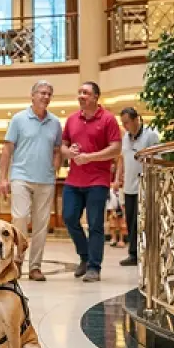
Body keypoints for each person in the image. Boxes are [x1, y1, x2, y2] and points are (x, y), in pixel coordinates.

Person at [0, 80, 62, 281]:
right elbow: (7, 150)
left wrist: (56, 168)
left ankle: (35, 267)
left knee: (42, 224)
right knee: (20, 219)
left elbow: (57, 149)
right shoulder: (18, 119)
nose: (45, 97)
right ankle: (16, 262)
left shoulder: (55, 123)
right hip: (21, 177)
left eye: (49, 93)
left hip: (46, 180)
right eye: (42, 93)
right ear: (32, 95)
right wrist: (2, 178)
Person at [60, 81, 121, 282]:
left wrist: (90, 157)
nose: (81, 96)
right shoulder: (71, 120)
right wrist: (68, 152)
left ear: (96, 97)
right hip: (74, 180)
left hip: (97, 180)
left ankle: (94, 267)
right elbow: (63, 144)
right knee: (69, 217)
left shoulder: (108, 120)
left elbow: (115, 148)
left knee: (95, 224)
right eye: (79, 92)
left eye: (85, 93)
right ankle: (85, 257)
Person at [116, 107, 160, 266]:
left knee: (145, 221)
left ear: (136, 120)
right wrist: (118, 178)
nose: (125, 126)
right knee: (131, 221)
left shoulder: (151, 135)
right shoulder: (125, 138)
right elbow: (122, 159)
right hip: (129, 186)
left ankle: (149, 252)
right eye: (123, 123)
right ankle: (133, 253)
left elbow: (158, 161)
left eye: (127, 122)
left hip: (146, 186)